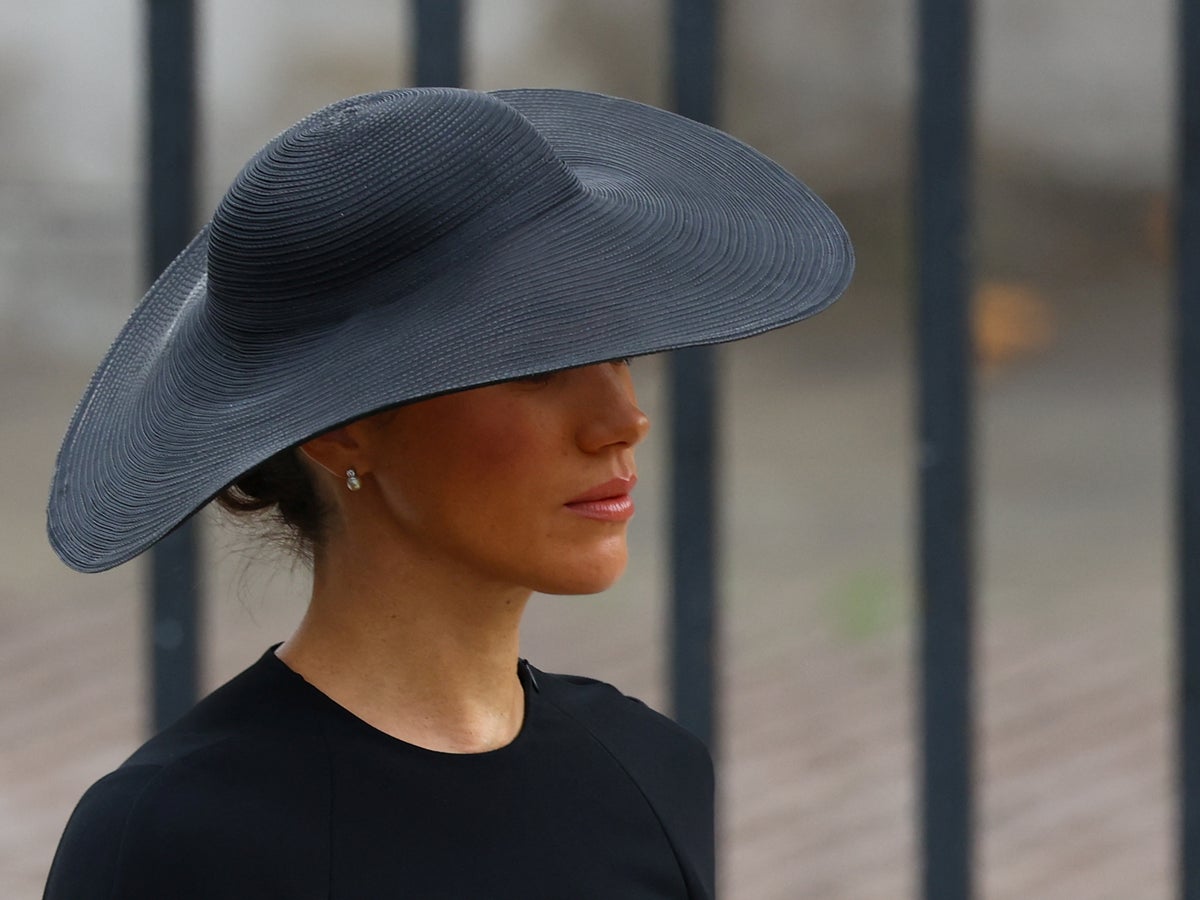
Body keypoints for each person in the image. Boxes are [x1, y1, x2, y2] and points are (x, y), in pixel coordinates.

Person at [42, 87, 853, 899]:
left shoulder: (650, 770)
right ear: (341, 430)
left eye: (620, 351)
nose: (625, 420)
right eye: (538, 364)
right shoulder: (175, 839)